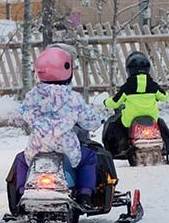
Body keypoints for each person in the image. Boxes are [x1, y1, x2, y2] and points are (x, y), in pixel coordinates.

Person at [13, 46, 104, 208]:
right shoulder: (72, 97)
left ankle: (21, 192)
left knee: (21, 160)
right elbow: (90, 121)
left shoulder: (32, 95)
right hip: (66, 147)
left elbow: (19, 117)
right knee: (89, 158)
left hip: (37, 147)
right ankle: (85, 194)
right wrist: (98, 121)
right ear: (67, 69)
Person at [103, 51, 169, 161]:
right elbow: (165, 97)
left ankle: (120, 149)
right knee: (162, 124)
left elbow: (115, 102)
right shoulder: (153, 85)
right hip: (151, 119)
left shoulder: (127, 87)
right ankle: (166, 150)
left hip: (130, 120)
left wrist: (106, 102)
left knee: (115, 124)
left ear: (129, 69)